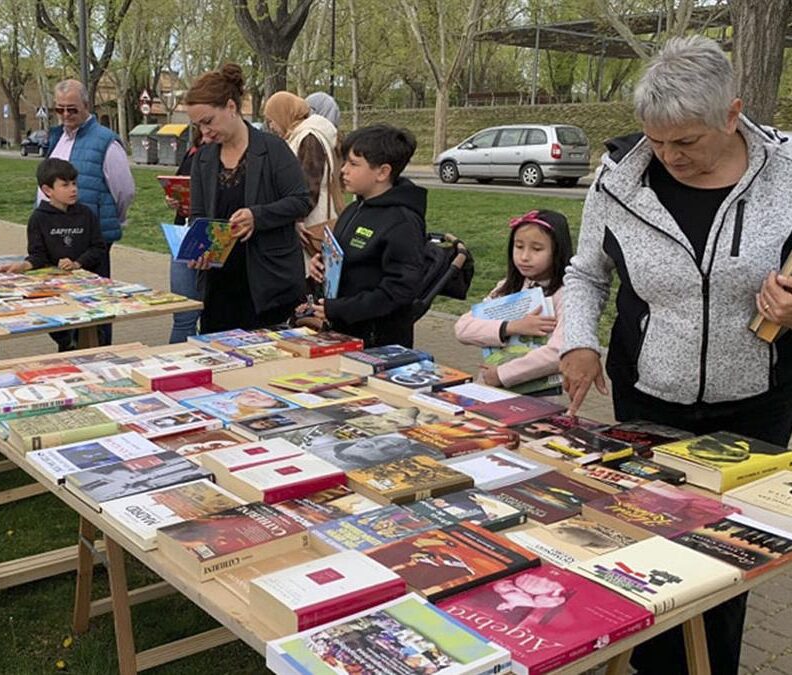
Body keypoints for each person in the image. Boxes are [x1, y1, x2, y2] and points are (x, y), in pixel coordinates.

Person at [559, 36, 792, 675]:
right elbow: (585, 274)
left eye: (685, 141)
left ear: (733, 113)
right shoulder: (619, 178)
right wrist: (577, 341)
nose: (669, 157)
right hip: (647, 397)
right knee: (646, 551)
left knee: (724, 566)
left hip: (754, 410)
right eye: (656, 140)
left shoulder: (789, 173)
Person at [185, 64, 312, 332]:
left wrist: (258, 216)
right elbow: (198, 215)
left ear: (231, 107)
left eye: (208, 122)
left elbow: (301, 200)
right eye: (197, 125)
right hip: (220, 287)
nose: (204, 133)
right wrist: (200, 249)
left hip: (269, 285)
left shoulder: (272, 149)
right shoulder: (204, 159)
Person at [302, 124, 426, 348]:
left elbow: (400, 290)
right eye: (345, 162)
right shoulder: (354, 209)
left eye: (353, 164)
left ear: (382, 172)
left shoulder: (402, 221)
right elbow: (343, 257)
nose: (343, 170)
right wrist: (320, 264)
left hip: (377, 341)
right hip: (342, 331)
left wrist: (343, 309)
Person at [44, 79, 135, 347]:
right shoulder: (56, 136)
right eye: (59, 110)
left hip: (91, 237)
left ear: (87, 106)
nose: (65, 116)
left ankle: (99, 353)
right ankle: (68, 348)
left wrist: (105, 222)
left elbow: (125, 190)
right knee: (61, 305)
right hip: (57, 234)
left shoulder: (106, 141)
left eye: (72, 110)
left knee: (95, 306)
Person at [454, 210, 571, 393]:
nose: (524, 257)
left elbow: (558, 352)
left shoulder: (566, 295)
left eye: (537, 249)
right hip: (488, 390)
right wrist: (511, 327)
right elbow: (463, 328)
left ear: (557, 251)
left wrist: (502, 374)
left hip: (536, 397)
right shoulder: (508, 287)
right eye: (518, 246)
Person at [1, 158, 105, 352]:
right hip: (55, 288)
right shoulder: (39, 218)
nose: (73, 189)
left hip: (86, 286)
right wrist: (24, 266)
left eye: (74, 184)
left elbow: (98, 248)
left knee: (92, 334)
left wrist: (77, 263)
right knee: (61, 327)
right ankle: (66, 342)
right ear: (48, 190)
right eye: (65, 185)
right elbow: (38, 255)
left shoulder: (86, 214)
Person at [263, 91, 344, 271]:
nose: (272, 126)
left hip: (311, 220)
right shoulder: (303, 134)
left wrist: (296, 216)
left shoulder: (308, 136)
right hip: (309, 216)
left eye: (272, 120)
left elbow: (309, 181)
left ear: (283, 115)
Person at [167, 126, 204, 343]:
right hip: (182, 232)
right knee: (184, 314)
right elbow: (178, 180)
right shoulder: (193, 152)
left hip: (207, 233)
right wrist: (173, 198)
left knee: (196, 312)